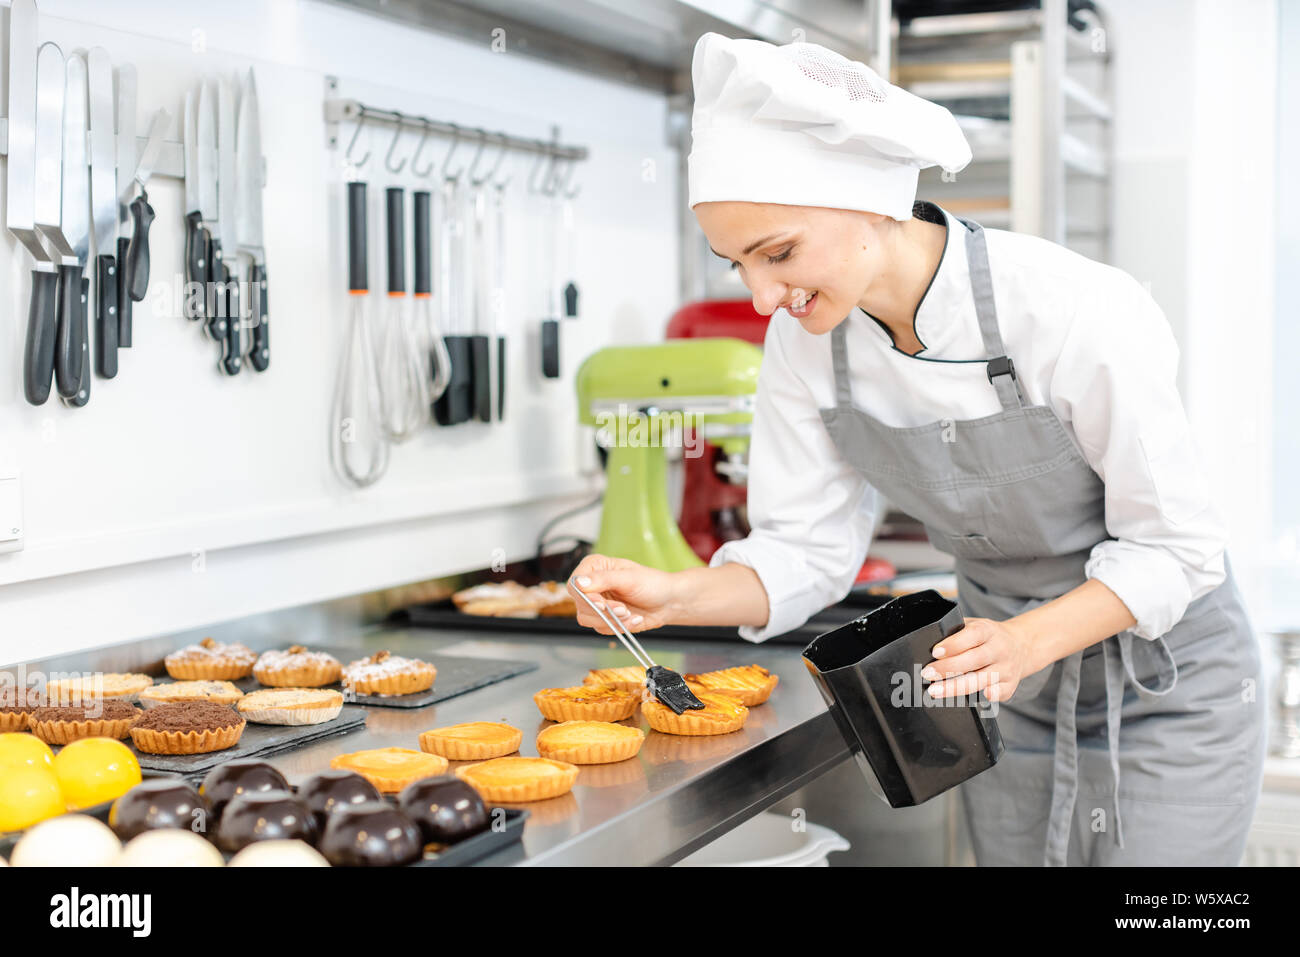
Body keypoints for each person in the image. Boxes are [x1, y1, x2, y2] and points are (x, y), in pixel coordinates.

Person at [566, 33, 1265, 866]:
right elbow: (804, 550)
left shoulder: (1075, 309)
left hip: (1168, 687)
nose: (759, 298)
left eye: (777, 252)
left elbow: (1178, 548)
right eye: (735, 264)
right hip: (1001, 685)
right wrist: (674, 595)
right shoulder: (807, 344)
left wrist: (1029, 639)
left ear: (872, 203)